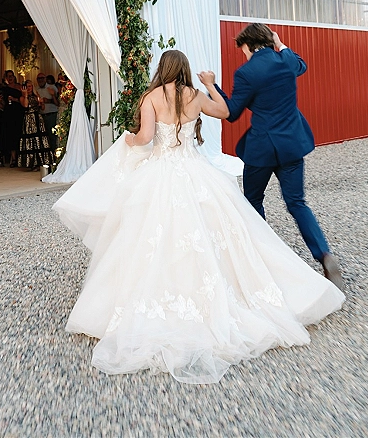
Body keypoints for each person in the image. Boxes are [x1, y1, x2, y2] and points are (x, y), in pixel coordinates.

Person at [53, 50, 344, 384]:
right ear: (186, 70)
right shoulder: (195, 95)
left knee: (150, 237)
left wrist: (129, 139)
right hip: (195, 172)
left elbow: (146, 139)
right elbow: (224, 111)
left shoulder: (151, 97)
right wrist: (212, 85)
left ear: (162, 69)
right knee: (217, 233)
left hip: (160, 173)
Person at [201, 23, 344, 291]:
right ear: (270, 41)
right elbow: (301, 64)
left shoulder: (246, 73)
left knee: (253, 200)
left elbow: (231, 112)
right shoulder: (286, 60)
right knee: (297, 203)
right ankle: (324, 254)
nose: (242, 54)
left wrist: (212, 86)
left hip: (262, 148)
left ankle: (265, 259)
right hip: (292, 144)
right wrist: (280, 44)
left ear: (249, 45)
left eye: (242, 49)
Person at [18, 80, 55, 171]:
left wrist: (41, 103)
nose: (29, 88)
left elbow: (42, 108)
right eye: (27, 87)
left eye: (30, 86)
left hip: (38, 118)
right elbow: (26, 105)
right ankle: (32, 163)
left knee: (41, 139)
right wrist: (25, 95)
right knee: (31, 140)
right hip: (29, 119)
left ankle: (42, 161)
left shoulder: (36, 95)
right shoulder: (22, 98)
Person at [0, 70, 24, 167]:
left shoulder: (19, 87)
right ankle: (13, 158)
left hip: (19, 112)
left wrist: (15, 100)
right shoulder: (4, 90)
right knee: (11, 136)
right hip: (8, 114)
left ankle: (21, 157)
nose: (10, 78)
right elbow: (2, 106)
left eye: (11, 76)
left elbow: (24, 99)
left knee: (19, 134)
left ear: (14, 77)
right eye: (8, 76)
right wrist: (0, 101)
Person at [35, 72, 59, 152]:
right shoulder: (36, 89)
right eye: (39, 78)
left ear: (45, 79)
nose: (40, 80)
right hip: (41, 116)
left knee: (52, 135)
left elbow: (58, 102)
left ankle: (54, 154)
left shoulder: (52, 87)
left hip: (51, 114)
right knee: (44, 137)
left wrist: (48, 99)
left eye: (42, 78)